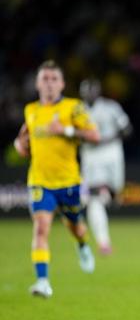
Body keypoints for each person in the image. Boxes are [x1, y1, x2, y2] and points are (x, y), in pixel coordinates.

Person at [13, 60, 100, 298]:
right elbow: (24, 141)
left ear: (61, 84)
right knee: (41, 229)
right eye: (45, 79)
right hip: (40, 182)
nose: (49, 83)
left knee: (77, 228)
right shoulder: (31, 111)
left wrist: (66, 130)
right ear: (38, 83)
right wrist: (18, 145)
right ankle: (42, 282)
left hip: (69, 182)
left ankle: (82, 245)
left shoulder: (73, 108)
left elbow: (95, 135)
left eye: (54, 79)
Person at [79, 78, 132, 255]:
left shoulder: (111, 107)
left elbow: (127, 129)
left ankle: (110, 195)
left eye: (93, 90)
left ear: (99, 91)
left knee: (114, 191)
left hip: (111, 153)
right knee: (95, 197)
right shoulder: (76, 111)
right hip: (90, 157)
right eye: (87, 90)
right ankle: (103, 243)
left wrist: (104, 139)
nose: (90, 94)